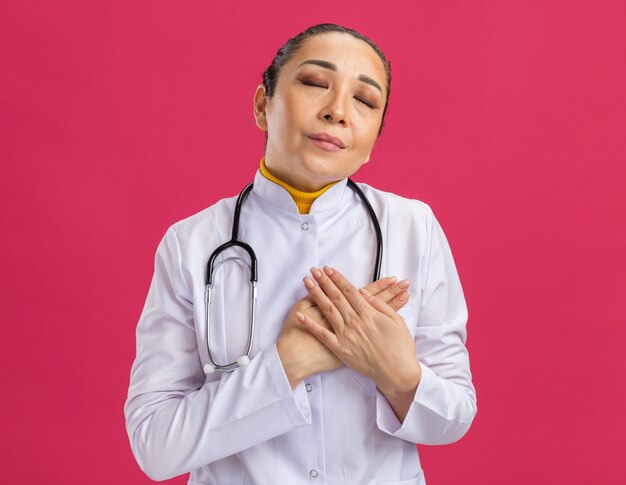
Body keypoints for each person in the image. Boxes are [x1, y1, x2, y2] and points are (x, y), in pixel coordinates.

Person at [124, 23, 477, 484]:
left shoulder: (414, 229)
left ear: (373, 140)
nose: (337, 112)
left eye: (365, 101)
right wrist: (290, 362)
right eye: (315, 83)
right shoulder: (191, 243)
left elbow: (454, 417)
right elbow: (155, 445)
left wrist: (399, 373)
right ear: (262, 105)